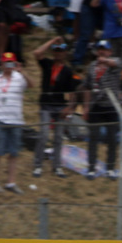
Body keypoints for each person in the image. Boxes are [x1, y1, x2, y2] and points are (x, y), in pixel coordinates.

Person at [32, 36, 78, 178]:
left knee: (58, 137)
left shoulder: (68, 71)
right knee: (44, 134)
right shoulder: (47, 64)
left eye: (61, 50)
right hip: (46, 104)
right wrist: (52, 41)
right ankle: (38, 165)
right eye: (56, 50)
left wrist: (69, 108)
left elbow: (73, 92)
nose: (58, 53)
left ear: (65, 53)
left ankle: (57, 167)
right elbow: (37, 53)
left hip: (59, 106)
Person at [0, 50, 28, 192]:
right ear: (2, 63)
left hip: (16, 120)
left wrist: (22, 72)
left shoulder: (20, 78)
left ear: (15, 63)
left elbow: (32, 85)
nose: (9, 65)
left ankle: (11, 182)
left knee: (14, 153)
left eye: (11, 62)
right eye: (6, 62)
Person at [82, 41, 122, 180]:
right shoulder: (91, 67)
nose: (102, 51)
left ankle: (110, 168)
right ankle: (91, 168)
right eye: (100, 49)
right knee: (93, 138)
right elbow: (87, 87)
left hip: (112, 106)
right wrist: (86, 107)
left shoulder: (115, 63)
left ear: (110, 51)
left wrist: (105, 61)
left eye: (105, 49)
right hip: (96, 106)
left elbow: (115, 63)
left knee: (112, 139)